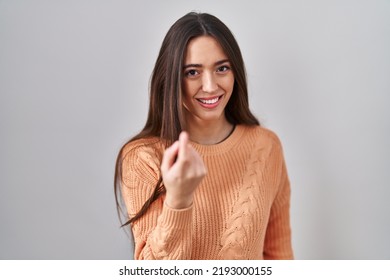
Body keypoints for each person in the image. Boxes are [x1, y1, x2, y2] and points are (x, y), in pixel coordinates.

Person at [114, 12, 293, 260]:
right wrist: (178, 199)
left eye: (222, 68)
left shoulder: (266, 146)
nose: (210, 86)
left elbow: (280, 255)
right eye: (192, 72)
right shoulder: (143, 157)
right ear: (170, 78)